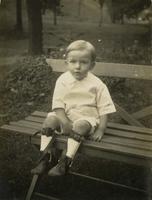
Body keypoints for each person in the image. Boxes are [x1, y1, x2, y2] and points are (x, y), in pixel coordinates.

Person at [32, 40, 116, 176]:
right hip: (65, 117)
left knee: (81, 125)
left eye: (83, 62)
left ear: (92, 65)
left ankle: (65, 161)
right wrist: (64, 122)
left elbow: (104, 108)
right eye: (73, 62)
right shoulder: (63, 80)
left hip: (86, 119)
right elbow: (58, 105)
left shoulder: (97, 84)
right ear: (67, 63)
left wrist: (100, 129)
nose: (77, 66)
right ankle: (46, 158)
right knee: (48, 122)